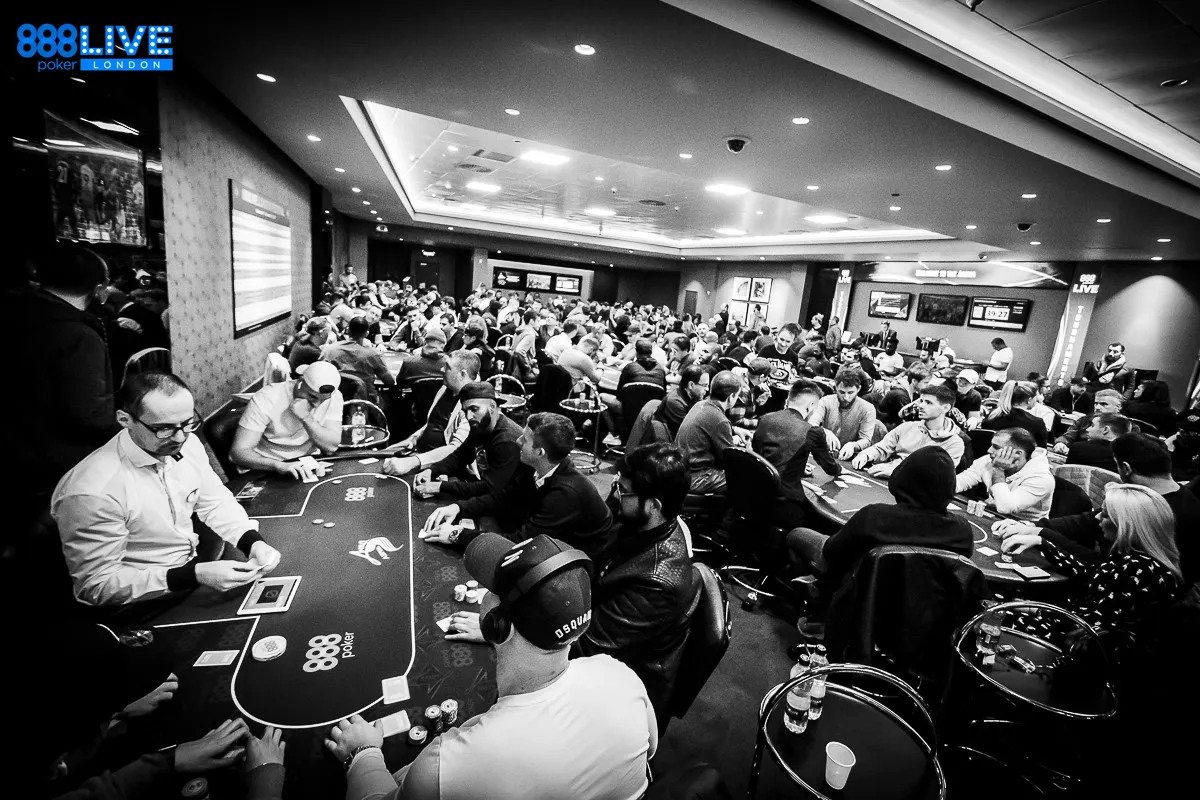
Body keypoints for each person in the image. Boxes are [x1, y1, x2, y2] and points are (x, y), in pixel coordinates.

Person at [331, 533, 657, 800]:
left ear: (498, 624)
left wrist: (363, 753)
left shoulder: (450, 764)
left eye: (492, 590)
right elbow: (648, 754)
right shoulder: (620, 675)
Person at [53, 372, 282, 608]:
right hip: (142, 601)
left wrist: (252, 541)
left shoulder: (186, 444)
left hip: (193, 565)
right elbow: (96, 586)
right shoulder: (91, 492)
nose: (180, 437)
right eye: (163, 428)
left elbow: (215, 502)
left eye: (188, 423)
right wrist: (193, 575)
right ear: (124, 419)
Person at [570, 444, 699, 729]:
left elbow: (586, 648)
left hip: (620, 685)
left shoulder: (657, 581)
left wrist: (511, 631)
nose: (615, 494)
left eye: (623, 490)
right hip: (594, 629)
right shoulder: (638, 524)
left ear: (653, 506)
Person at [997, 433, 1199, 584]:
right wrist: (1034, 527)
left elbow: (1105, 564)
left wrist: (1043, 537)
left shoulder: (1161, 511)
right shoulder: (1164, 495)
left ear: (1125, 468)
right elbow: (1088, 520)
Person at [1003, 484, 1182, 650]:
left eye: (1104, 515)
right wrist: (1041, 542)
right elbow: (1091, 573)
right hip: (1077, 633)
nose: (1096, 518)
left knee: (994, 616)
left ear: (1126, 526)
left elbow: (1081, 626)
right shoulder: (1141, 560)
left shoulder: (1136, 568)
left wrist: (1031, 609)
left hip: (1078, 649)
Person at [420, 413, 613, 559]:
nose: (518, 440)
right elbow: (505, 496)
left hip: (578, 558)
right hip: (546, 535)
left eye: (525, 439)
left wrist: (457, 534)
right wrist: (459, 507)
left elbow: (522, 543)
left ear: (540, 452)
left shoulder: (566, 493)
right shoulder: (532, 464)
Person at [19, 243, 122, 511]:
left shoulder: (15, 313)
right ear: (99, 289)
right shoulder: (78, 336)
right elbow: (88, 413)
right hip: (57, 461)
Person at [787, 446, 973, 581]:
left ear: (903, 477)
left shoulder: (874, 517)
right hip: (923, 613)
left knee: (796, 534)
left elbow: (832, 551)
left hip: (859, 593)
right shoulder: (963, 532)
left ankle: (817, 599)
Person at [401, 382, 522, 502]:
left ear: (492, 407)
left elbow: (489, 488)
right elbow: (460, 457)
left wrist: (441, 487)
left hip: (511, 505)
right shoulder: (481, 426)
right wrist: (432, 470)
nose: (469, 416)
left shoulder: (506, 441)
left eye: (474, 409)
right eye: (465, 411)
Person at [754, 379, 842, 529]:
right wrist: (840, 469)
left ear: (788, 399)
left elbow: (759, 458)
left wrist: (797, 466)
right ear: (811, 406)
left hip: (754, 496)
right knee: (821, 524)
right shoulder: (813, 431)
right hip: (784, 505)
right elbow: (830, 467)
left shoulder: (765, 418)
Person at [230, 361, 344, 476]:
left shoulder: (335, 397)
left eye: (323, 399)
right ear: (300, 382)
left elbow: (330, 447)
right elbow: (238, 453)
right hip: (266, 467)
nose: (317, 404)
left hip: (306, 463)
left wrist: (305, 416)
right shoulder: (267, 398)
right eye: (312, 396)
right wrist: (278, 465)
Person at [853, 384, 964, 477]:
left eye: (928, 403)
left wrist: (898, 472)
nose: (920, 406)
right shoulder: (907, 427)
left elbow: (936, 476)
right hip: (886, 479)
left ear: (946, 408)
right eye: (921, 401)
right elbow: (882, 447)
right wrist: (866, 455)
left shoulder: (954, 443)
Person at [391, 350, 480, 465]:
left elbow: (456, 449)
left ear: (462, 375)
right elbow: (431, 423)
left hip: (442, 466)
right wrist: (412, 439)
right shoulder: (445, 388)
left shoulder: (473, 404)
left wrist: (414, 461)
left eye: (447, 367)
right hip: (418, 453)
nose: (442, 369)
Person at [955, 428, 1054, 521]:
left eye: (996, 447)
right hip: (992, 514)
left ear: (1018, 454)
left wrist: (998, 470)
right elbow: (960, 482)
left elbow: (1005, 507)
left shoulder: (1042, 478)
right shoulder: (988, 460)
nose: (989, 450)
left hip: (1024, 525)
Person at [675, 370, 744, 494]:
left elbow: (710, 427)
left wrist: (734, 429)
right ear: (731, 397)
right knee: (746, 477)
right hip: (696, 478)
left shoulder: (700, 404)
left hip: (681, 471)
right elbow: (730, 460)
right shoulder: (720, 420)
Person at [809, 367, 878, 461]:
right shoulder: (825, 401)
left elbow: (866, 439)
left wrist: (853, 445)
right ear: (835, 387)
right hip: (825, 452)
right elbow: (811, 423)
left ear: (858, 389)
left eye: (851, 392)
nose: (846, 397)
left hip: (849, 457)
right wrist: (823, 431)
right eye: (841, 392)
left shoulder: (867, 409)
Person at [322, 316, 395, 403]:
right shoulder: (372, 354)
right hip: (366, 402)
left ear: (348, 331)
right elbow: (390, 381)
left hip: (333, 401)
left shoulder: (329, 350)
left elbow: (320, 374)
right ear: (366, 334)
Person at [978, 381, 1049, 447]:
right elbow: (1041, 451)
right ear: (1029, 400)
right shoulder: (1037, 423)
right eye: (1036, 397)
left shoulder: (991, 416)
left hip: (989, 455)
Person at [1054, 389, 1124, 454]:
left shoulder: (1125, 427)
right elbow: (1067, 436)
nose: (1097, 407)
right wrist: (1060, 443)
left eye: (1104, 404)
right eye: (1096, 403)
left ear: (1118, 407)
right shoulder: (1084, 420)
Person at [655, 365, 709, 439]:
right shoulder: (675, 402)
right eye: (705, 385)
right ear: (691, 385)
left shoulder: (694, 396)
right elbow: (692, 430)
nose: (707, 389)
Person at [1066, 413, 1133, 470]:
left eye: (1092, 426)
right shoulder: (1131, 458)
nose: (1087, 429)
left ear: (1105, 430)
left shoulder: (1079, 448)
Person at [877, 363, 933, 429]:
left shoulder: (914, 393)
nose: (928, 386)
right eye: (926, 383)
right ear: (914, 381)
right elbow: (908, 418)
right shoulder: (900, 395)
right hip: (885, 426)